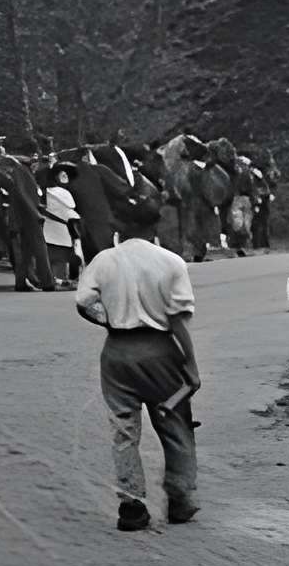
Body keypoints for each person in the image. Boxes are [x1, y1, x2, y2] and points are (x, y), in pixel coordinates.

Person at [74, 194, 201, 531]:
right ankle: (180, 499)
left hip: (117, 353)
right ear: (155, 224)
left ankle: (132, 506)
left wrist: (111, 321)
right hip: (161, 353)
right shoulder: (171, 262)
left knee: (123, 431)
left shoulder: (103, 260)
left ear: (121, 226)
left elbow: (84, 303)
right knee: (175, 426)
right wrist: (190, 364)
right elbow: (177, 321)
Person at [0, 146, 56, 293]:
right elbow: (24, 196)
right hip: (29, 217)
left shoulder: (19, 171)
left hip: (21, 217)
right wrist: (37, 214)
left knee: (25, 251)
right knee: (40, 250)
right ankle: (48, 282)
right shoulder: (23, 172)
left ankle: (21, 282)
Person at [66, 145, 135, 260]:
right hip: (104, 224)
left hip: (83, 230)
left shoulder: (69, 178)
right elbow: (122, 189)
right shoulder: (98, 170)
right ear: (86, 157)